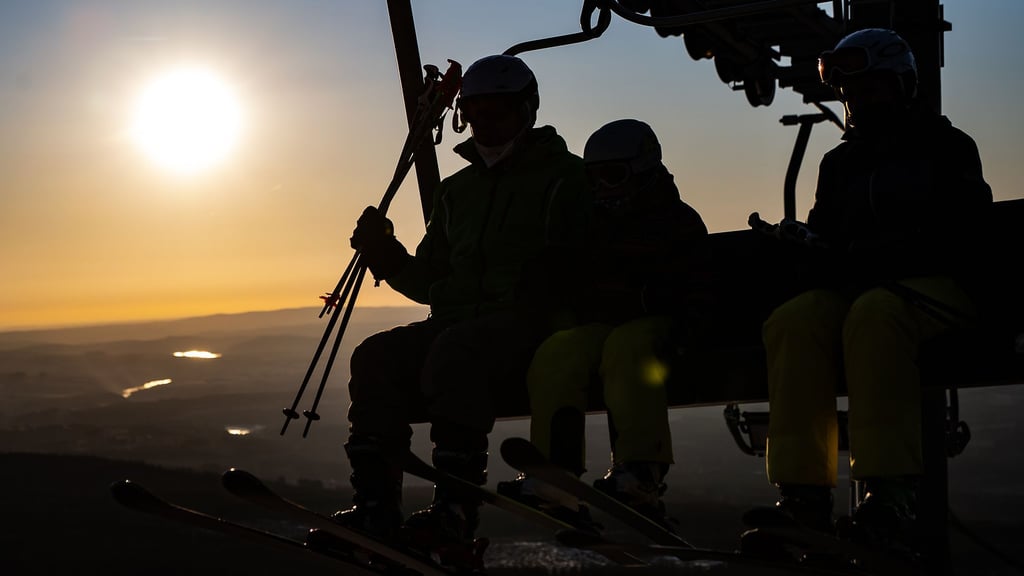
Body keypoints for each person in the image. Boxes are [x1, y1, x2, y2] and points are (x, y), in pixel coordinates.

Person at [743, 28, 992, 556]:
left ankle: (889, 490)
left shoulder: (947, 148)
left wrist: (880, 253)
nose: (859, 101)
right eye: (851, 93)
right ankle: (803, 492)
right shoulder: (840, 164)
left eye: (871, 89)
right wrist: (805, 248)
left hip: (939, 289)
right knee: (796, 319)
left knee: (877, 314)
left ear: (902, 86)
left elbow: (968, 235)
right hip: (863, 290)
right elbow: (828, 236)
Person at [336, 54, 590, 564]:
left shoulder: (566, 178)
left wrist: (557, 278)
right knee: (375, 355)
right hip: (460, 323)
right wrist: (385, 254)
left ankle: (454, 509)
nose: (487, 126)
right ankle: (376, 504)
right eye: (476, 115)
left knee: (457, 351)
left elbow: (590, 255)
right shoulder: (458, 192)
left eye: (500, 114)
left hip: (529, 323)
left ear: (527, 111)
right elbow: (432, 282)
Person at [497, 119, 712, 529]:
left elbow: (698, 285)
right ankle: (554, 472)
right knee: (559, 351)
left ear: (643, 171)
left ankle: (640, 471)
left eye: (613, 176)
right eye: (593, 178)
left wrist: (688, 333)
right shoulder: (592, 226)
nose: (603, 188)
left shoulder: (676, 222)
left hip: (659, 327)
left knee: (627, 347)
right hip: (606, 326)